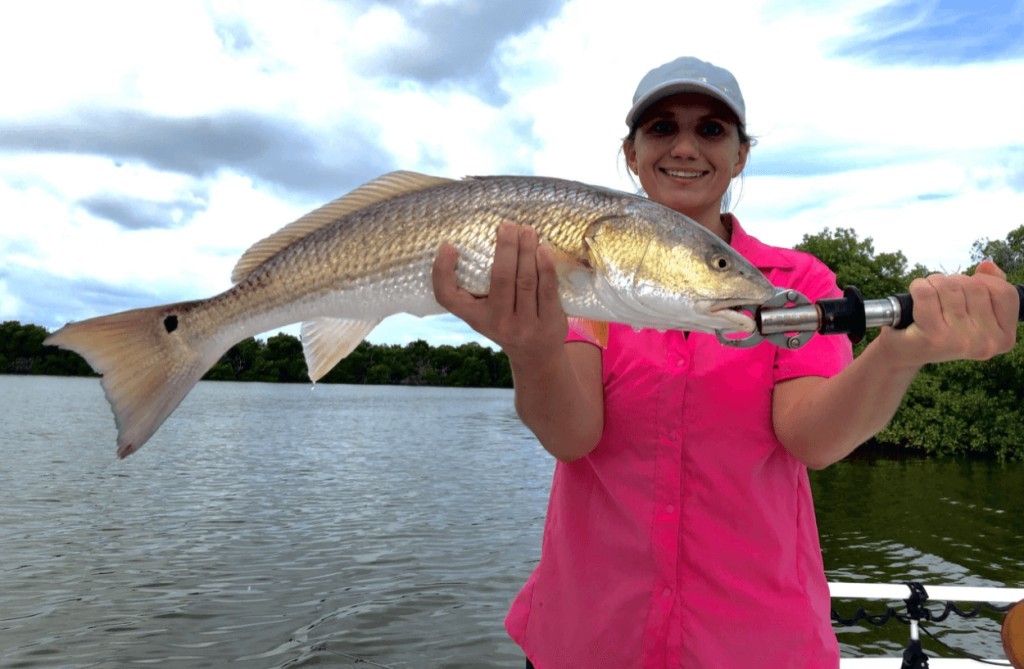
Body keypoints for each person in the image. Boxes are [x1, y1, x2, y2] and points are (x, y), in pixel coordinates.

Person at [431, 56, 1020, 668]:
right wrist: (531, 349)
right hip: (591, 638)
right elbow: (571, 435)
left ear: (740, 155)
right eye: (661, 128)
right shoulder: (586, 279)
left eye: (712, 130)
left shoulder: (793, 280)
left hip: (758, 643)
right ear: (631, 153)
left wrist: (901, 353)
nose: (685, 146)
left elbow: (812, 438)